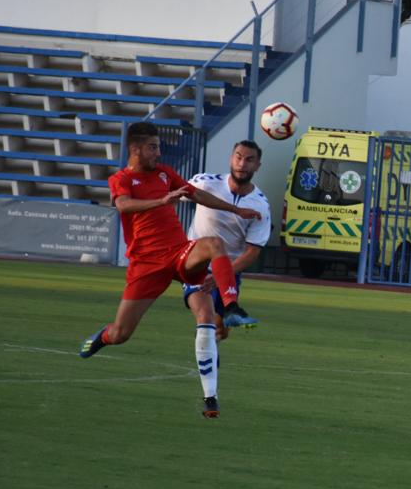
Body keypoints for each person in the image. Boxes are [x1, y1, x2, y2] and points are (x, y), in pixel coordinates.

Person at [78, 122, 261, 419]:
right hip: (146, 265)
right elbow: (123, 206)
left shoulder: (164, 173)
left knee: (214, 243)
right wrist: (161, 201)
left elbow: (195, 194)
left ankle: (230, 308)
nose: (158, 152)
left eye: (158, 146)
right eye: (153, 147)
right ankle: (104, 337)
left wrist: (235, 210)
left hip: (179, 253)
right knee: (122, 333)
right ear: (135, 149)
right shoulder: (121, 179)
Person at [180, 140, 272, 414]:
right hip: (196, 264)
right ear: (231, 158)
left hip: (228, 272)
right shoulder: (205, 182)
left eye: (249, 160)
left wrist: (223, 275)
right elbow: (174, 195)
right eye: (238, 157)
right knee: (205, 320)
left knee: (219, 332)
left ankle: (209, 347)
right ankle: (211, 396)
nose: (242, 164)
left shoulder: (261, 205)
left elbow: (252, 252)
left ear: (257, 165)